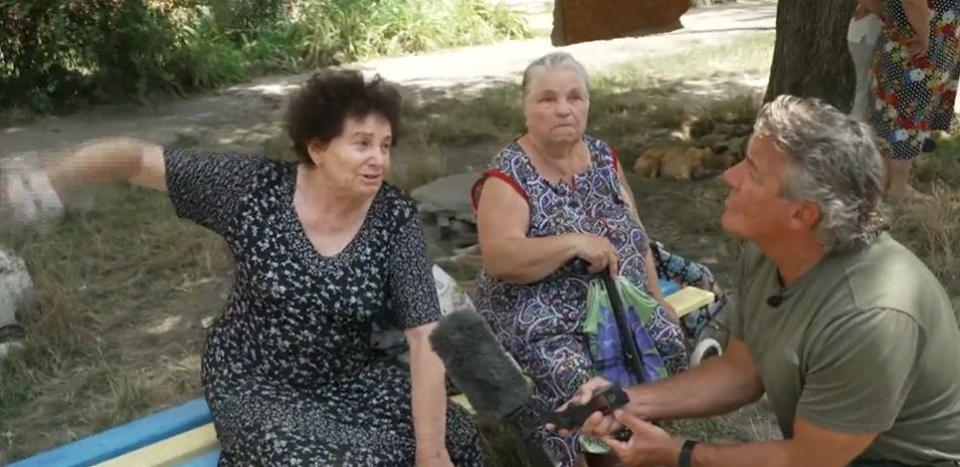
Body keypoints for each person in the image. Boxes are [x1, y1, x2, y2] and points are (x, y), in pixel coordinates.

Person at [20, 70, 483, 466]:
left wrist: (431, 451)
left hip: (347, 375)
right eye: (361, 143)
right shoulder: (252, 190)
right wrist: (48, 180)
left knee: (453, 436)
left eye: (385, 145)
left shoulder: (393, 215)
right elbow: (137, 159)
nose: (379, 159)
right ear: (317, 148)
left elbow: (425, 333)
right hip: (257, 380)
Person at [558, 95, 960, 467]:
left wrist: (679, 454)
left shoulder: (872, 315)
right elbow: (741, 370)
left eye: (751, 170)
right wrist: (624, 401)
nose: (729, 176)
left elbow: (808, 459)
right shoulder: (770, 252)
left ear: (803, 215)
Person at [470, 51, 690, 466]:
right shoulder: (507, 176)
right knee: (582, 382)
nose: (563, 109)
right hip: (540, 317)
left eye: (575, 97)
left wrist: (658, 299)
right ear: (526, 107)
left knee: (665, 339)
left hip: (617, 302)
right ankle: (591, 458)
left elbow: (635, 235)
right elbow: (501, 259)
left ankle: (642, 446)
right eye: (547, 99)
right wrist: (570, 243)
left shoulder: (604, 158)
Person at [864, 0, 960, 201]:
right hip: (920, 49)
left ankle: (882, 183)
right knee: (909, 117)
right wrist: (923, 35)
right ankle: (898, 189)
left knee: (888, 114)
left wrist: (890, 19)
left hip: (896, 41)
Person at [847, 0, 884, 120]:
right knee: (867, 86)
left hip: (866, 32)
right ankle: (857, 126)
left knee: (867, 85)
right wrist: (885, 16)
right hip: (867, 34)